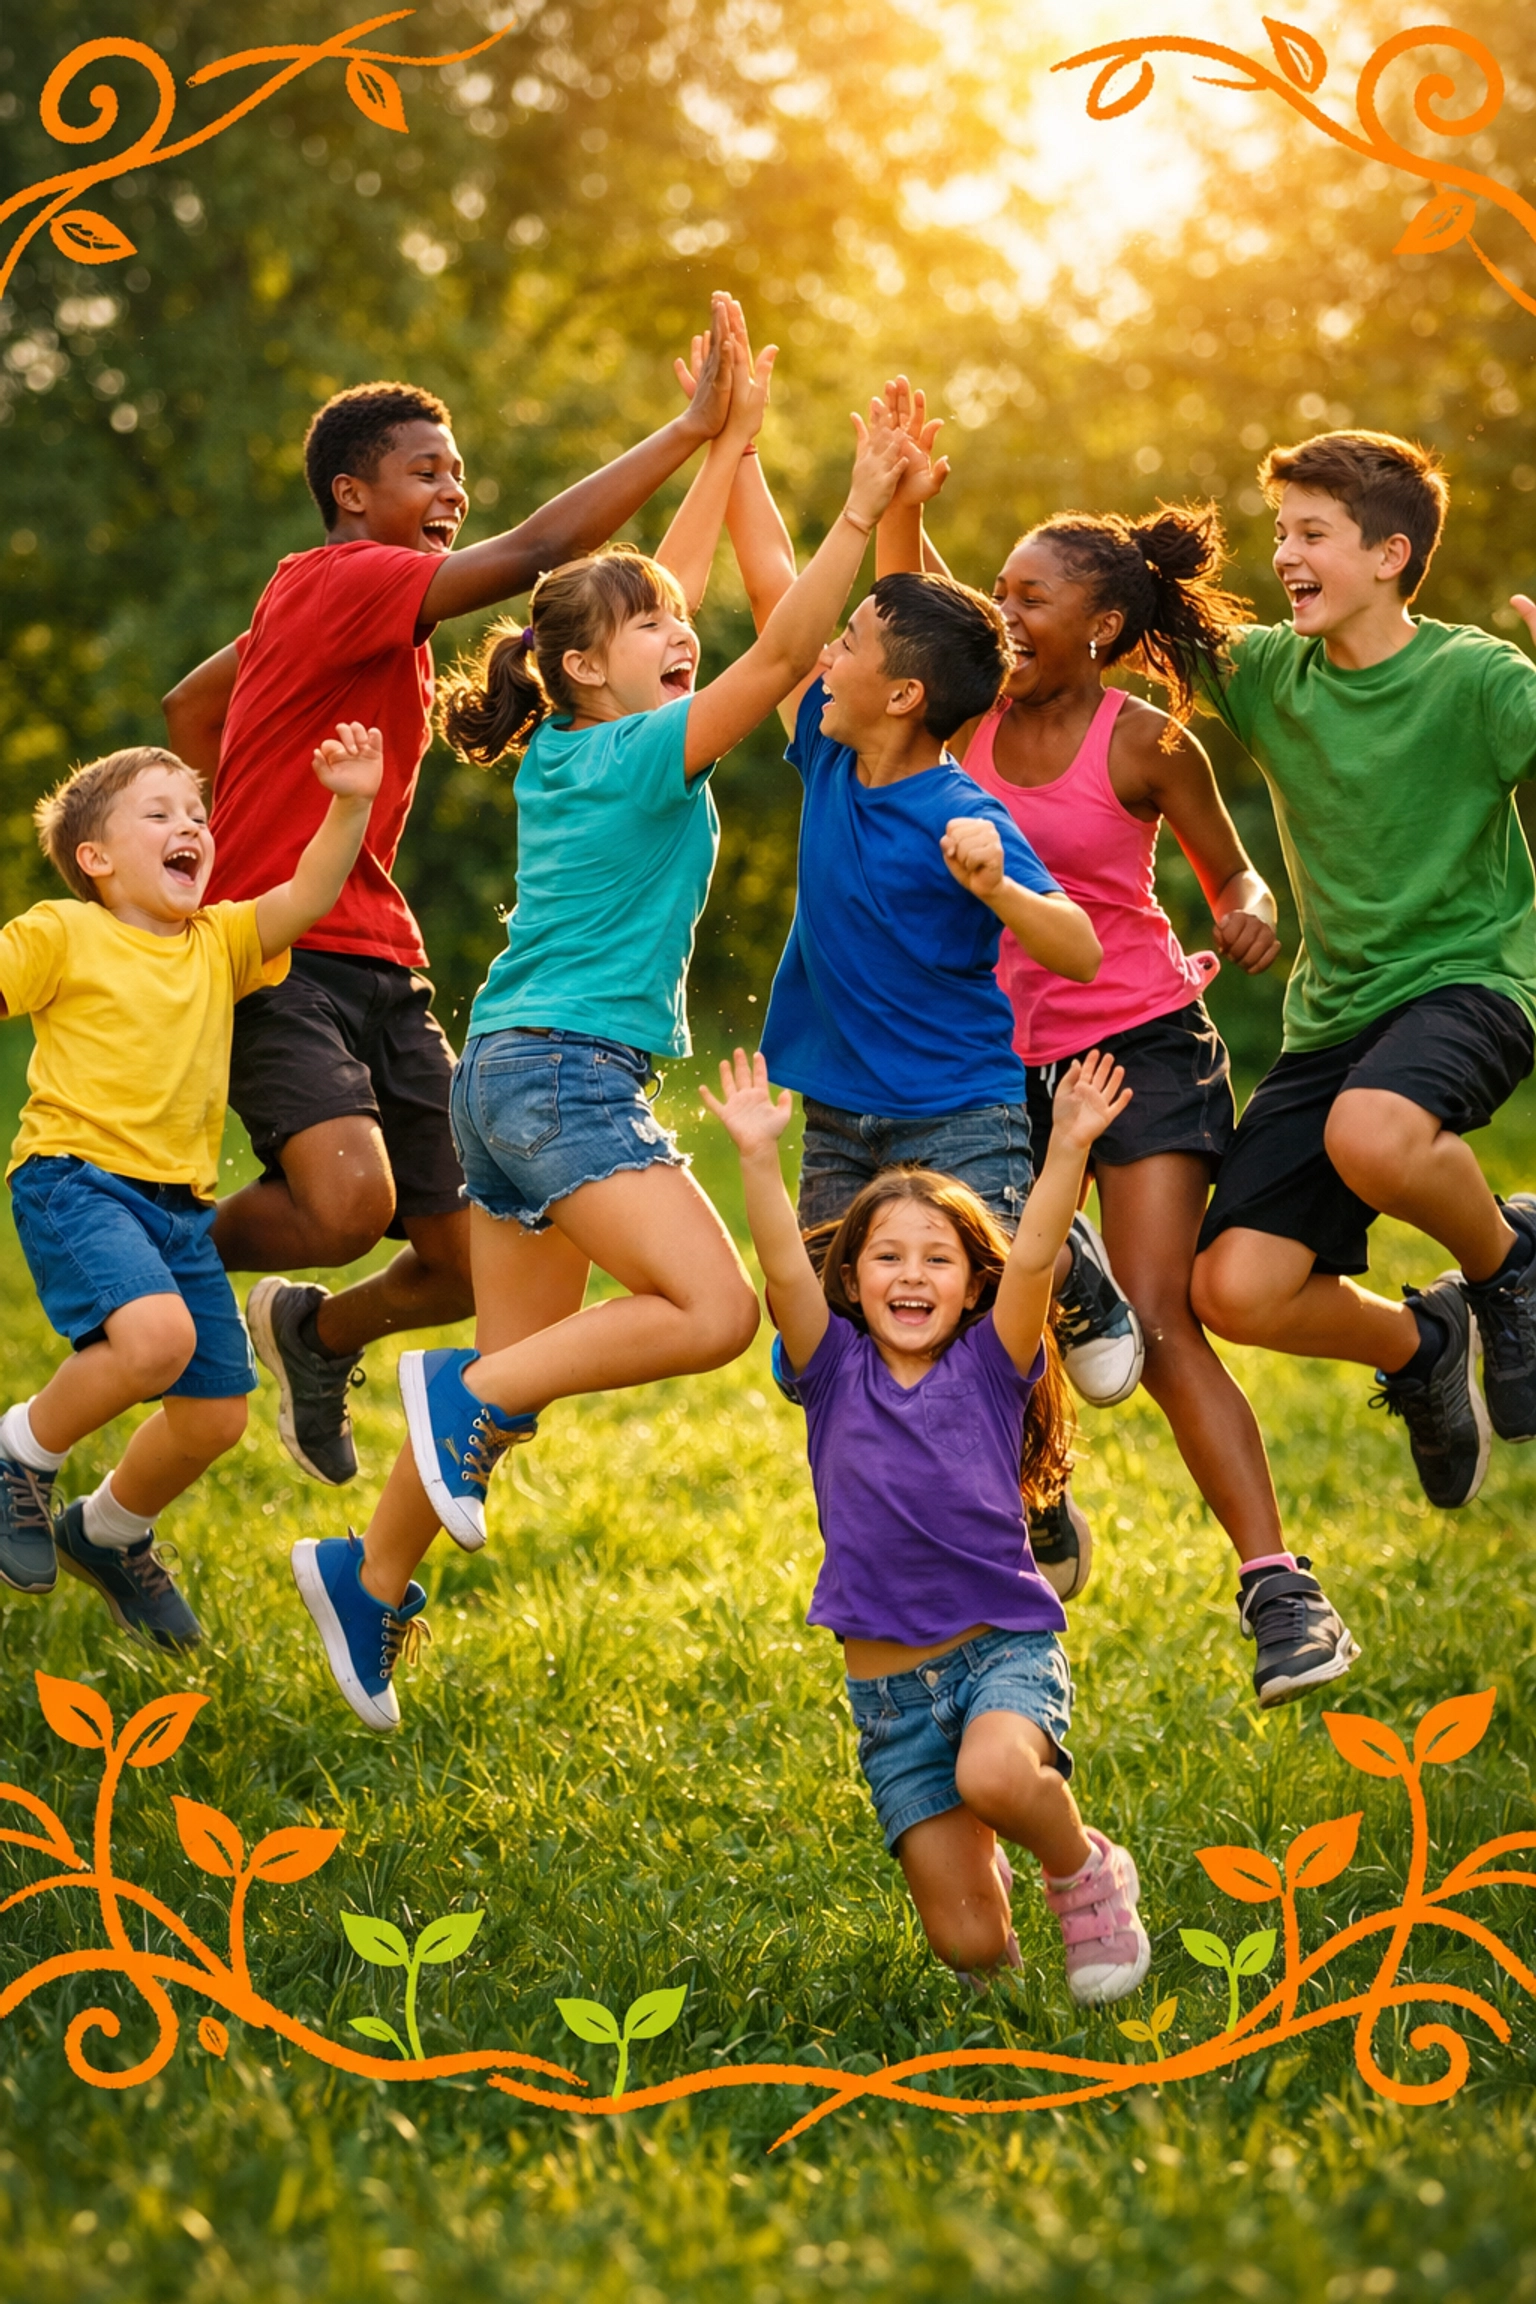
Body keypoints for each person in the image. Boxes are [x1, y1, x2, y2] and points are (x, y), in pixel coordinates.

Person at [290, 372, 913, 1731]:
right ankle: (455, 1384)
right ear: (588, 667)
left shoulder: (581, 741)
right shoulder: (641, 754)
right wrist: (856, 511)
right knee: (714, 1312)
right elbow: (781, 650)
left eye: (676, 630)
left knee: (512, 1400)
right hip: (567, 1079)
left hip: (502, 1079)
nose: (681, 634)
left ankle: (367, 1573)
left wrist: (724, 446)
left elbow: (644, 599)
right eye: (656, 635)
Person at [162, 295, 739, 1491]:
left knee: (460, 1262)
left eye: (459, 473)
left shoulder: (365, 624)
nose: (452, 492)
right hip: (281, 949)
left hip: (384, 957)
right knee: (340, 1205)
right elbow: (536, 557)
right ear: (349, 499)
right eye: (426, 472)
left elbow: (190, 708)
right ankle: (151, 1247)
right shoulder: (334, 580)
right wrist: (688, 432)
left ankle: (314, 1337)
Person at [875, 411, 1358, 1706]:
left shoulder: (1145, 742)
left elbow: (1228, 865)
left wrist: (1246, 904)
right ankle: (1037, 1499)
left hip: (1139, 1043)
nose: (1004, 611)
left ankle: (1280, 1592)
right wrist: (905, 497)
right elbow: (910, 603)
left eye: (1031, 597)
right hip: (997, 1062)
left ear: (1097, 626)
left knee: (1157, 1313)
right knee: (998, 1317)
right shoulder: (962, 719)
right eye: (1001, 592)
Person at [695, 393, 1116, 1595]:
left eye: (852, 654)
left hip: (958, 1108)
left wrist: (1000, 891)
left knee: (989, 1332)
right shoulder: (828, 748)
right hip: (840, 1117)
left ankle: (1036, 1491)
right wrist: (744, 452)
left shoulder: (963, 815)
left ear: (904, 698)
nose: (822, 657)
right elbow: (783, 591)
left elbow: (1076, 949)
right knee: (832, 1341)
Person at [702, 1044, 1151, 2001]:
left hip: (1000, 1653)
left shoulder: (995, 1363)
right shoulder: (829, 1368)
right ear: (855, 1279)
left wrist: (1067, 1141)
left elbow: (1033, 1249)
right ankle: (999, 1936)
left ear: (972, 1285)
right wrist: (753, 1152)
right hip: (893, 1705)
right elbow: (784, 1265)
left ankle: (1081, 1870)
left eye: (937, 1259)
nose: (912, 1276)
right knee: (970, 1950)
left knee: (996, 1776)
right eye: (888, 1258)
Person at [1185, 430, 1536, 1513]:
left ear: (1389, 555)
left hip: (1473, 979)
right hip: (1334, 1015)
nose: (1284, 555)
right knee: (1232, 1290)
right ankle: (1422, 1343)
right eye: (1280, 532)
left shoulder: (1475, 677)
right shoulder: (1267, 674)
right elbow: (1060, 621)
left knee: (1372, 1133)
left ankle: (1508, 1269)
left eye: (1312, 534)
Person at [0, 724, 382, 1646]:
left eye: (198, 814)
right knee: (156, 1341)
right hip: (76, 1179)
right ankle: (19, 1453)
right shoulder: (64, 931)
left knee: (213, 1417)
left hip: (177, 1206)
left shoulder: (219, 940)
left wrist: (352, 801)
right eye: (161, 812)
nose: (194, 827)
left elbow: (308, 893)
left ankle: (110, 1530)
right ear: (93, 858)